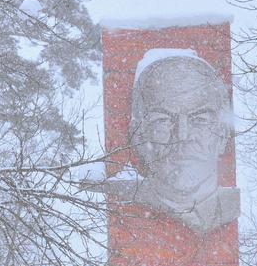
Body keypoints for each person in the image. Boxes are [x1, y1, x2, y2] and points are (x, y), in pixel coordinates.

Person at [101, 52, 240, 235]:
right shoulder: (122, 200)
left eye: (199, 120)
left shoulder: (230, 207)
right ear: (138, 135)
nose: (182, 135)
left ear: (222, 135)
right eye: (163, 120)